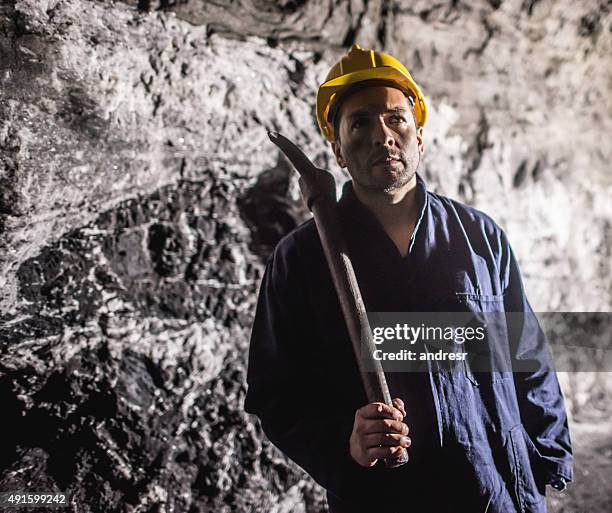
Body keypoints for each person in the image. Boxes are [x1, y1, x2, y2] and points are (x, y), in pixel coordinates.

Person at [244, 43, 573, 513]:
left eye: (396, 118)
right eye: (360, 123)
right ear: (337, 150)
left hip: (498, 489)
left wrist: (545, 459)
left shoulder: (480, 237)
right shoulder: (300, 259)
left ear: (419, 134)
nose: (383, 134)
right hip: (386, 498)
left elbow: (528, 355)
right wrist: (347, 443)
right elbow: (276, 393)